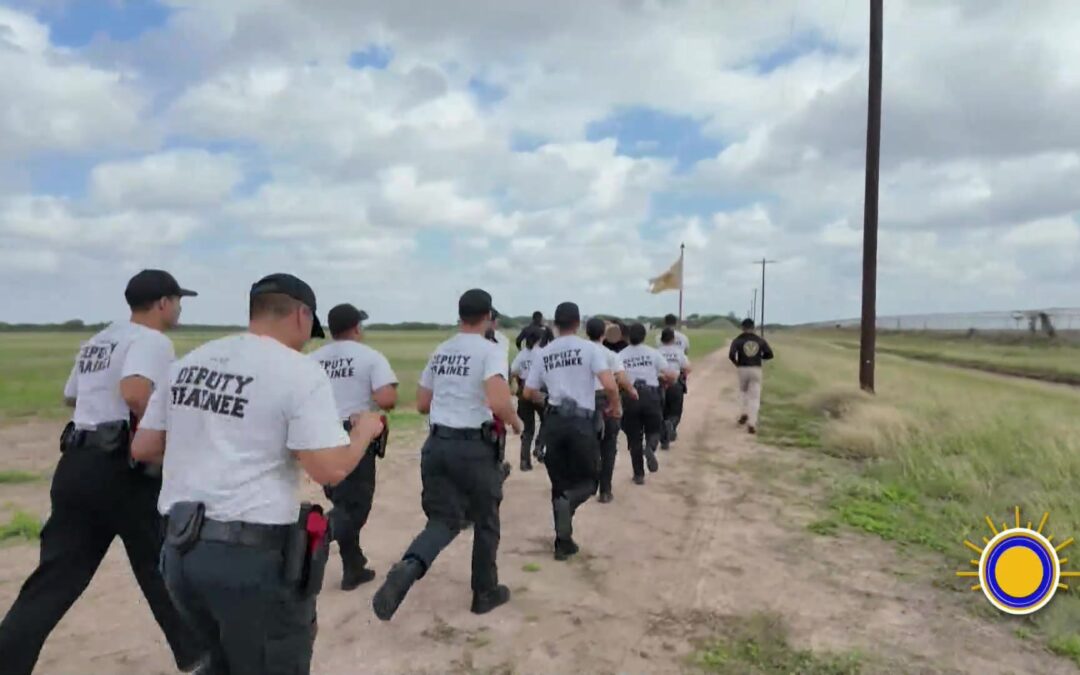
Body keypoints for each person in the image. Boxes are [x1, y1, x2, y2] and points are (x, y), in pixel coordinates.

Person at [131, 273, 386, 674]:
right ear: (302, 315)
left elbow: (143, 447)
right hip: (249, 558)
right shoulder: (297, 371)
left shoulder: (190, 362)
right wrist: (364, 432)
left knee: (218, 663)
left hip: (180, 552)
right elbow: (330, 469)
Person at [0, 270, 206, 675]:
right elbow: (133, 391)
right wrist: (159, 433)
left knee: (55, 578)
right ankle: (200, 658)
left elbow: (70, 395)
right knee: (162, 566)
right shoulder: (151, 341)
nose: (180, 308)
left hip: (77, 464)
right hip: (124, 469)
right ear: (163, 302)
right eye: (178, 300)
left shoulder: (99, 339)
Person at [372, 289, 523, 621]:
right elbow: (498, 400)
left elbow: (424, 403)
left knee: (443, 520)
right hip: (473, 447)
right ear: (488, 316)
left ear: (460, 316)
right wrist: (515, 422)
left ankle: (410, 565)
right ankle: (484, 592)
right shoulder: (491, 349)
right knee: (485, 520)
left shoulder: (441, 350)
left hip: (437, 445)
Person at [308, 303, 398, 590]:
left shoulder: (313, 358)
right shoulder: (370, 357)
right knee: (355, 508)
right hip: (353, 435)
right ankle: (311, 537)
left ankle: (353, 567)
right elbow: (386, 399)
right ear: (357, 327)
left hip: (319, 435)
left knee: (341, 501)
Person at [523, 302, 619, 560]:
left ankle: (562, 542)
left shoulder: (544, 353)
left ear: (556, 324)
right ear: (578, 324)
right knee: (590, 480)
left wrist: (551, 402)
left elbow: (528, 392)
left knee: (559, 484)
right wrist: (616, 407)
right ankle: (569, 510)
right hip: (581, 423)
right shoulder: (589, 349)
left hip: (554, 422)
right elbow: (609, 385)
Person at [585, 317, 637, 503]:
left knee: (586, 445)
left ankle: (587, 485)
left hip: (583, 403)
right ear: (603, 335)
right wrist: (631, 391)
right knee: (608, 446)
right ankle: (605, 490)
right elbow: (621, 380)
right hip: (606, 399)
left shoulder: (580, 353)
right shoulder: (610, 355)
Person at [619, 323, 678, 484]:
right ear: (645, 336)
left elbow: (617, 377)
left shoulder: (621, 355)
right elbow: (671, 375)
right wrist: (664, 381)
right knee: (654, 429)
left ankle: (638, 475)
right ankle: (650, 448)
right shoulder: (653, 353)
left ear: (628, 336)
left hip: (630, 396)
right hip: (651, 395)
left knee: (634, 437)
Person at [728, 318, 774, 434]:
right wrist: (760, 359)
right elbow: (770, 354)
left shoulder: (738, 340)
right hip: (756, 368)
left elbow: (731, 355)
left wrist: (737, 364)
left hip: (742, 368)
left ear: (742, 328)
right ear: (753, 328)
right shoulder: (760, 340)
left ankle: (744, 412)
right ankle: (752, 423)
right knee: (754, 397)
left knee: (743, 392)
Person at [510, 327, 545, 472]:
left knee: (528, 428)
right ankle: (539, 446)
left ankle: (524, 462)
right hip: (539, 391)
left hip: (524, 391)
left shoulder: (521, 355)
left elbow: (512, 371)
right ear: (539, 339)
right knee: (547, 421)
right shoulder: (542, 353)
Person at [658, 328, 692, 450]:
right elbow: (688, 368)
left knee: (661, 411)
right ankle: (671, 425)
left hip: (660, 384)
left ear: (661, 339)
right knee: (675, 411)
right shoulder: (679, 352)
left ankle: (664, 437)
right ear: (673, 339)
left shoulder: (656, 352)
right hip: (675, 384)